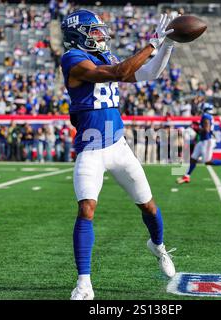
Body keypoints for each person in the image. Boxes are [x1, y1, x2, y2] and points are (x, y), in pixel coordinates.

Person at [61, 10, 176, 300]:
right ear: (77, 34)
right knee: (86, 208)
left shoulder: (107, 55)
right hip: (90, 148)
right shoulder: (73, 59)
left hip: (117, 146)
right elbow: (118, 73)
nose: (100, 35)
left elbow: (149, 73)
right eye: (93, 31)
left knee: (148, 206)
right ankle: (84, 283)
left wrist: (168, 45)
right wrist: (152, 43)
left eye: (100, 30)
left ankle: (159, 247)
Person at [176, 103, 221, 184]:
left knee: (207, 161)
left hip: (206, 141)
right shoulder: (209, 116)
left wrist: (196, 128)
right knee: (193, 159)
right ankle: (186, 176)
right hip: (203, 140)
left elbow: (206, 129)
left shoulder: (206, 116)